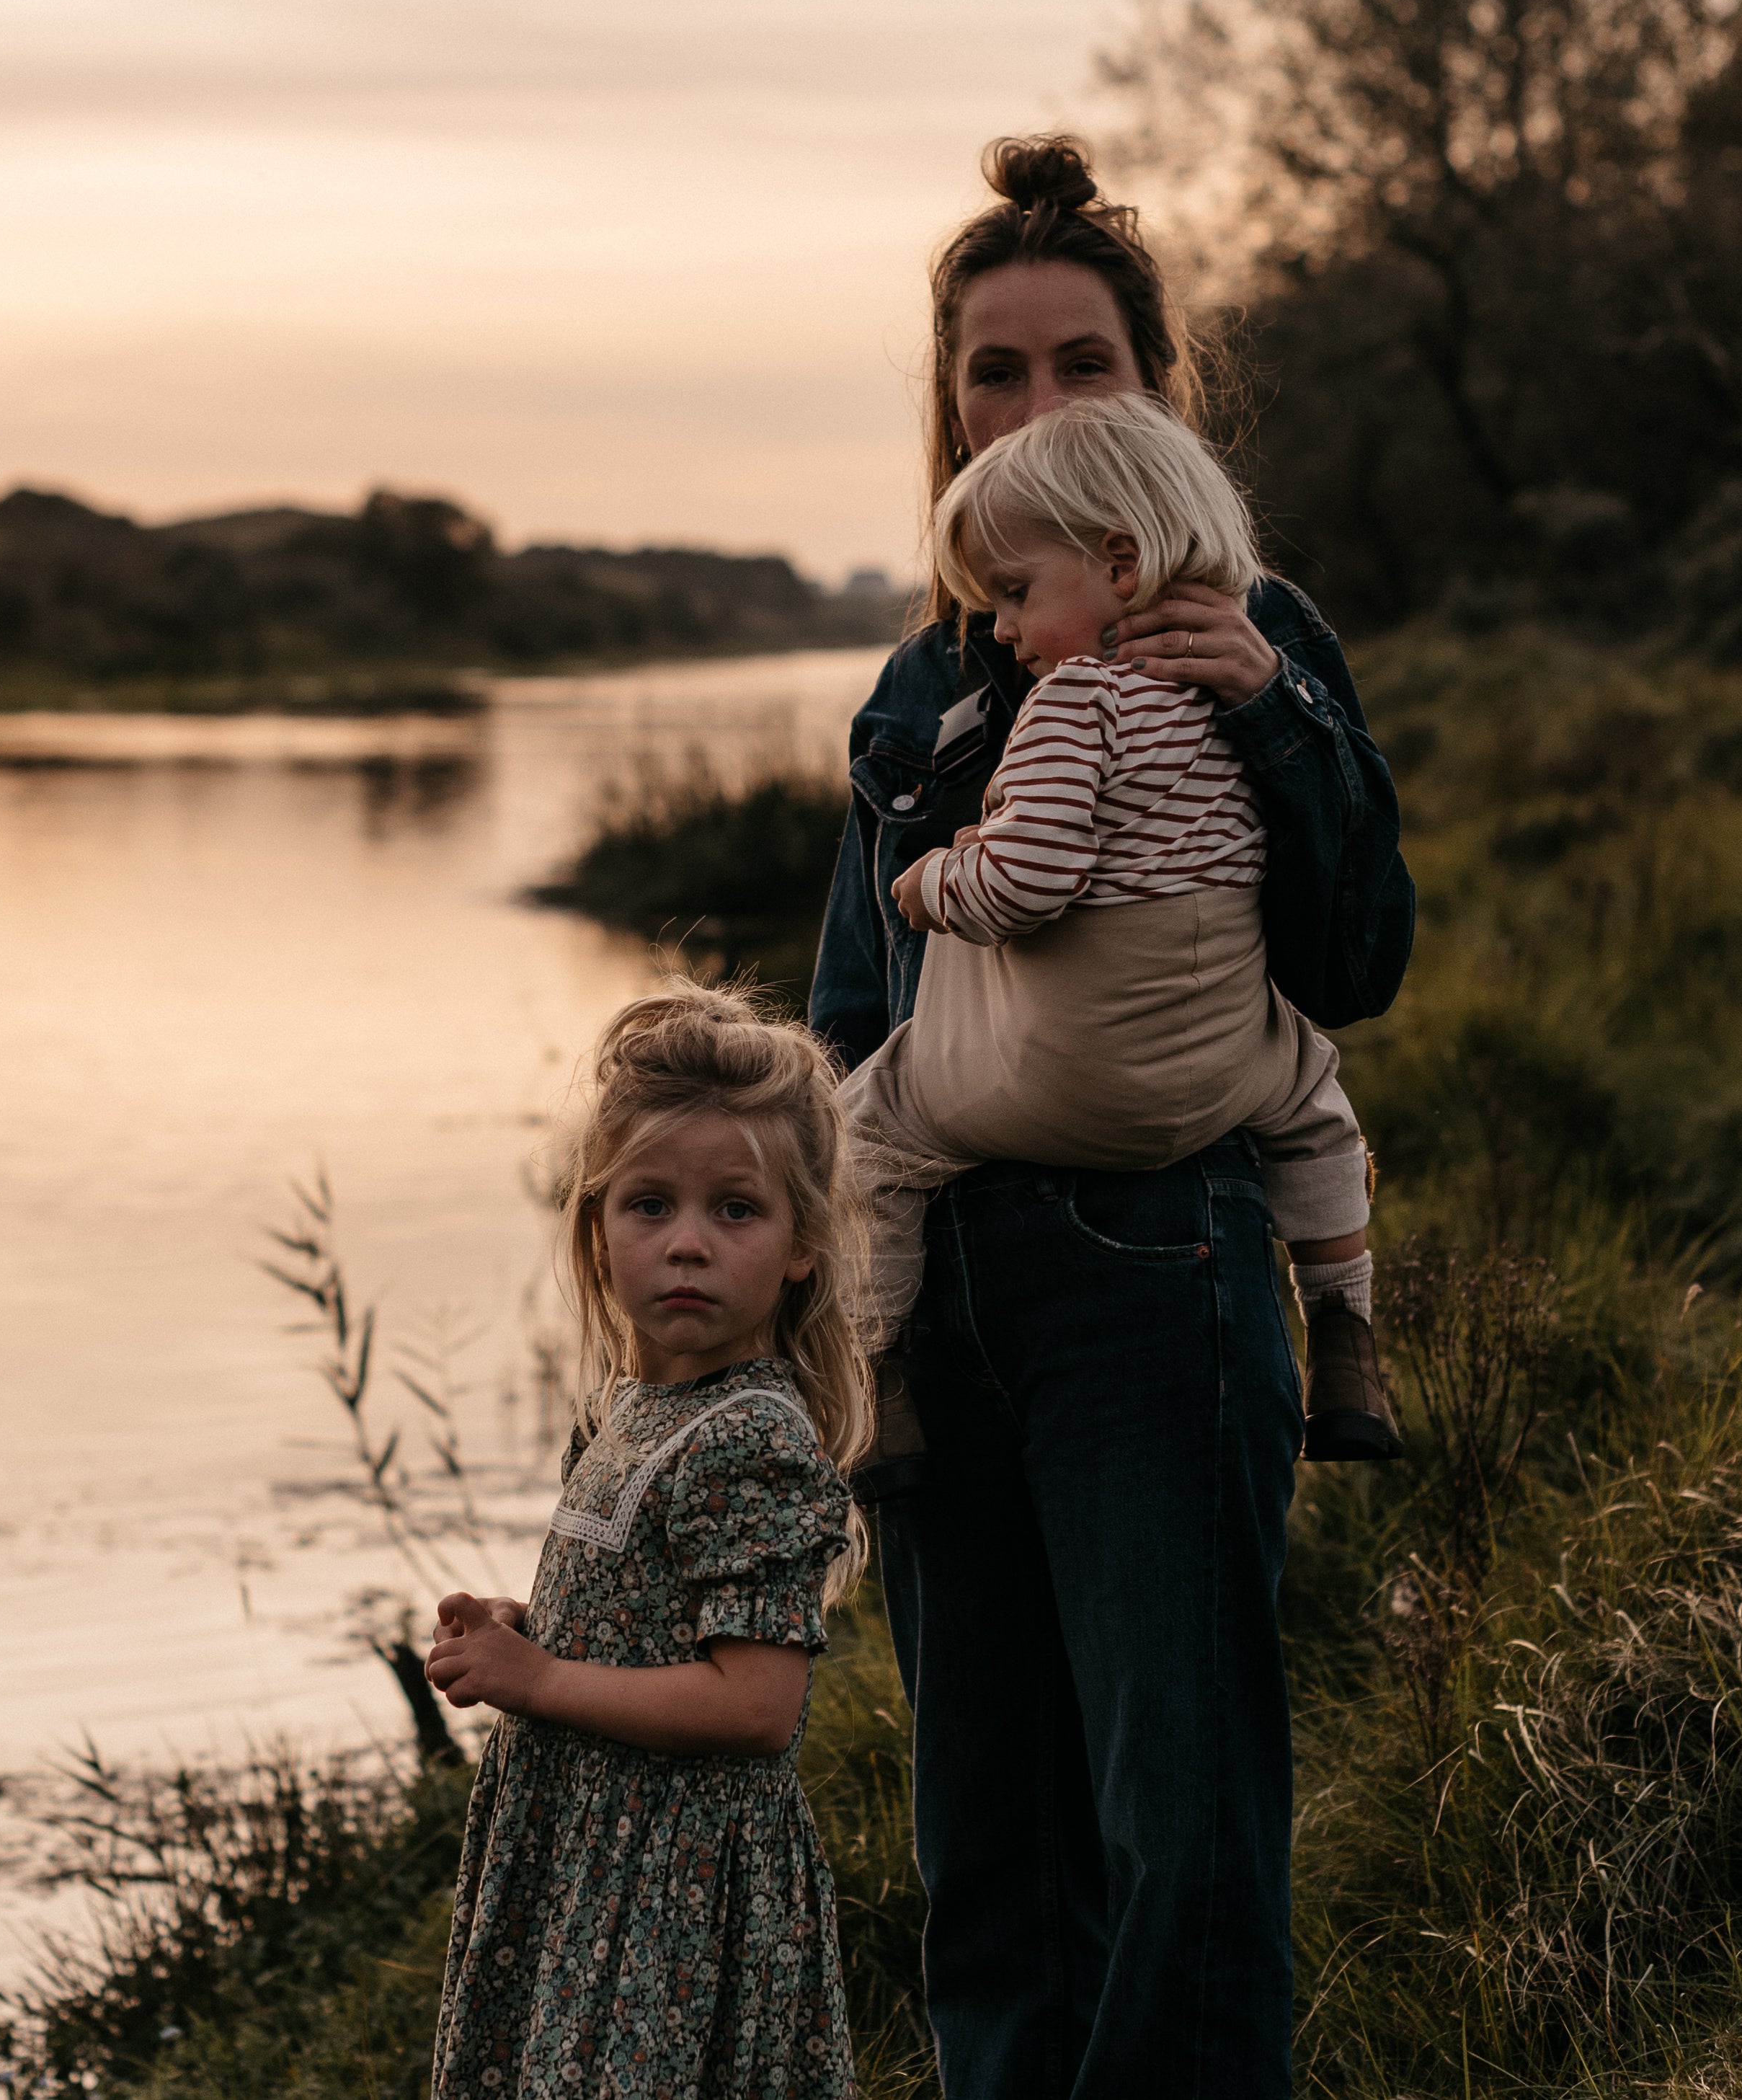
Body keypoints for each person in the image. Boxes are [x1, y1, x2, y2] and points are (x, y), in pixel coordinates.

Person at [808, 133, 1417, 2100]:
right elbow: (853, 1007)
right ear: (948, 407)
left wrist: (1272, 710)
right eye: (995, 370)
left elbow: (1354, 961)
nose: (1038, 402)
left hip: (1159, 1266)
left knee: (1181, 1815)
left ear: (1161, 391)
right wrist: (819, 1294)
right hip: (938, 1289)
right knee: (987, 1837)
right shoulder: (922, 678)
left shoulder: (1256, 633)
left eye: (1086, 362)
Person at [840, 391, 1396, 1475]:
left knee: (872, 1128)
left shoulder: (1073, 701)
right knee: (1315, 1100)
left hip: (1065, 1077)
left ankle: (875, 1378)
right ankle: (1343, 1337)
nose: (1002, 630)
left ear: (1122, 563)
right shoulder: (1231, 706)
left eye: (1014, 594)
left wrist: (931, 881)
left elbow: (1030, 882)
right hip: (1220, 1074)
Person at [425, 984, 871, 2100]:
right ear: (595, 1227)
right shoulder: (626, 1408)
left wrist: (541, 1679)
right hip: (589, 1857)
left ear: (802, 1244)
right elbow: (644, 1620)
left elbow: (754, 1706)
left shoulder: (749, 1438)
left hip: (672, 1883)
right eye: (649, 1205)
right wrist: (526, 1633)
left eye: (735, 1210)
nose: (686, 1243)